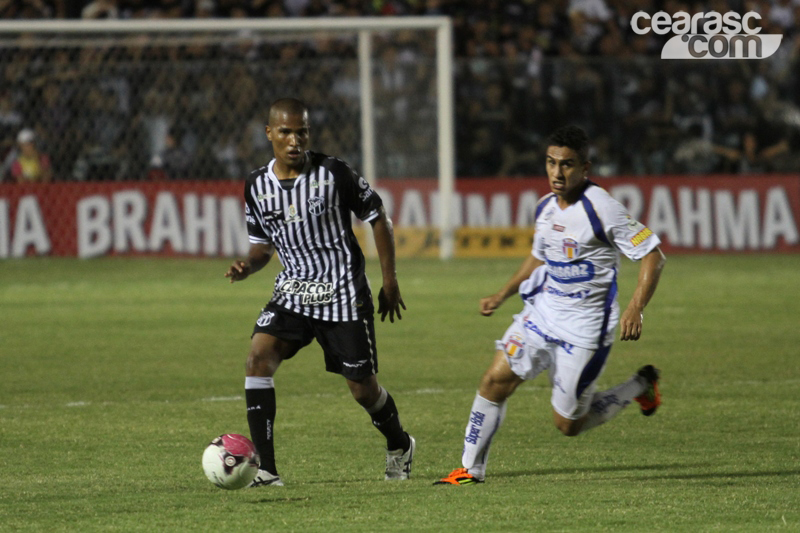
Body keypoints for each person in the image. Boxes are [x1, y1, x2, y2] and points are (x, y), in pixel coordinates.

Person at [435, 125, 666, 485]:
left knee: (568, 424)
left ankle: (640, 385)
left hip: (585, 330)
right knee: (494, 381)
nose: (558, 173)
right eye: (551, 163)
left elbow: (652, 255)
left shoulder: (603, 209)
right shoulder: (544, 207)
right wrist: (503, 294)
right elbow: (539, 257)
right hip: (541, 314)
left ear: (585, 168)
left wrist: (636, 306)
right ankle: (470, 470)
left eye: (568, 165)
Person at [225, 98, 414, 487]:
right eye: (285, 132)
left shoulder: (334, 173)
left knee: (363, 390)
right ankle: (266, 470)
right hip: (293, 291)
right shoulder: (256, 186)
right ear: (269, 134)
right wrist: (249, 265)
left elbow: (378, 217)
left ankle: (400, 444)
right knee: (257, 359)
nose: (294, 140)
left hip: (342, 291)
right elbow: (262, 247)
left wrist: (389, 281)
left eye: (302, 132)